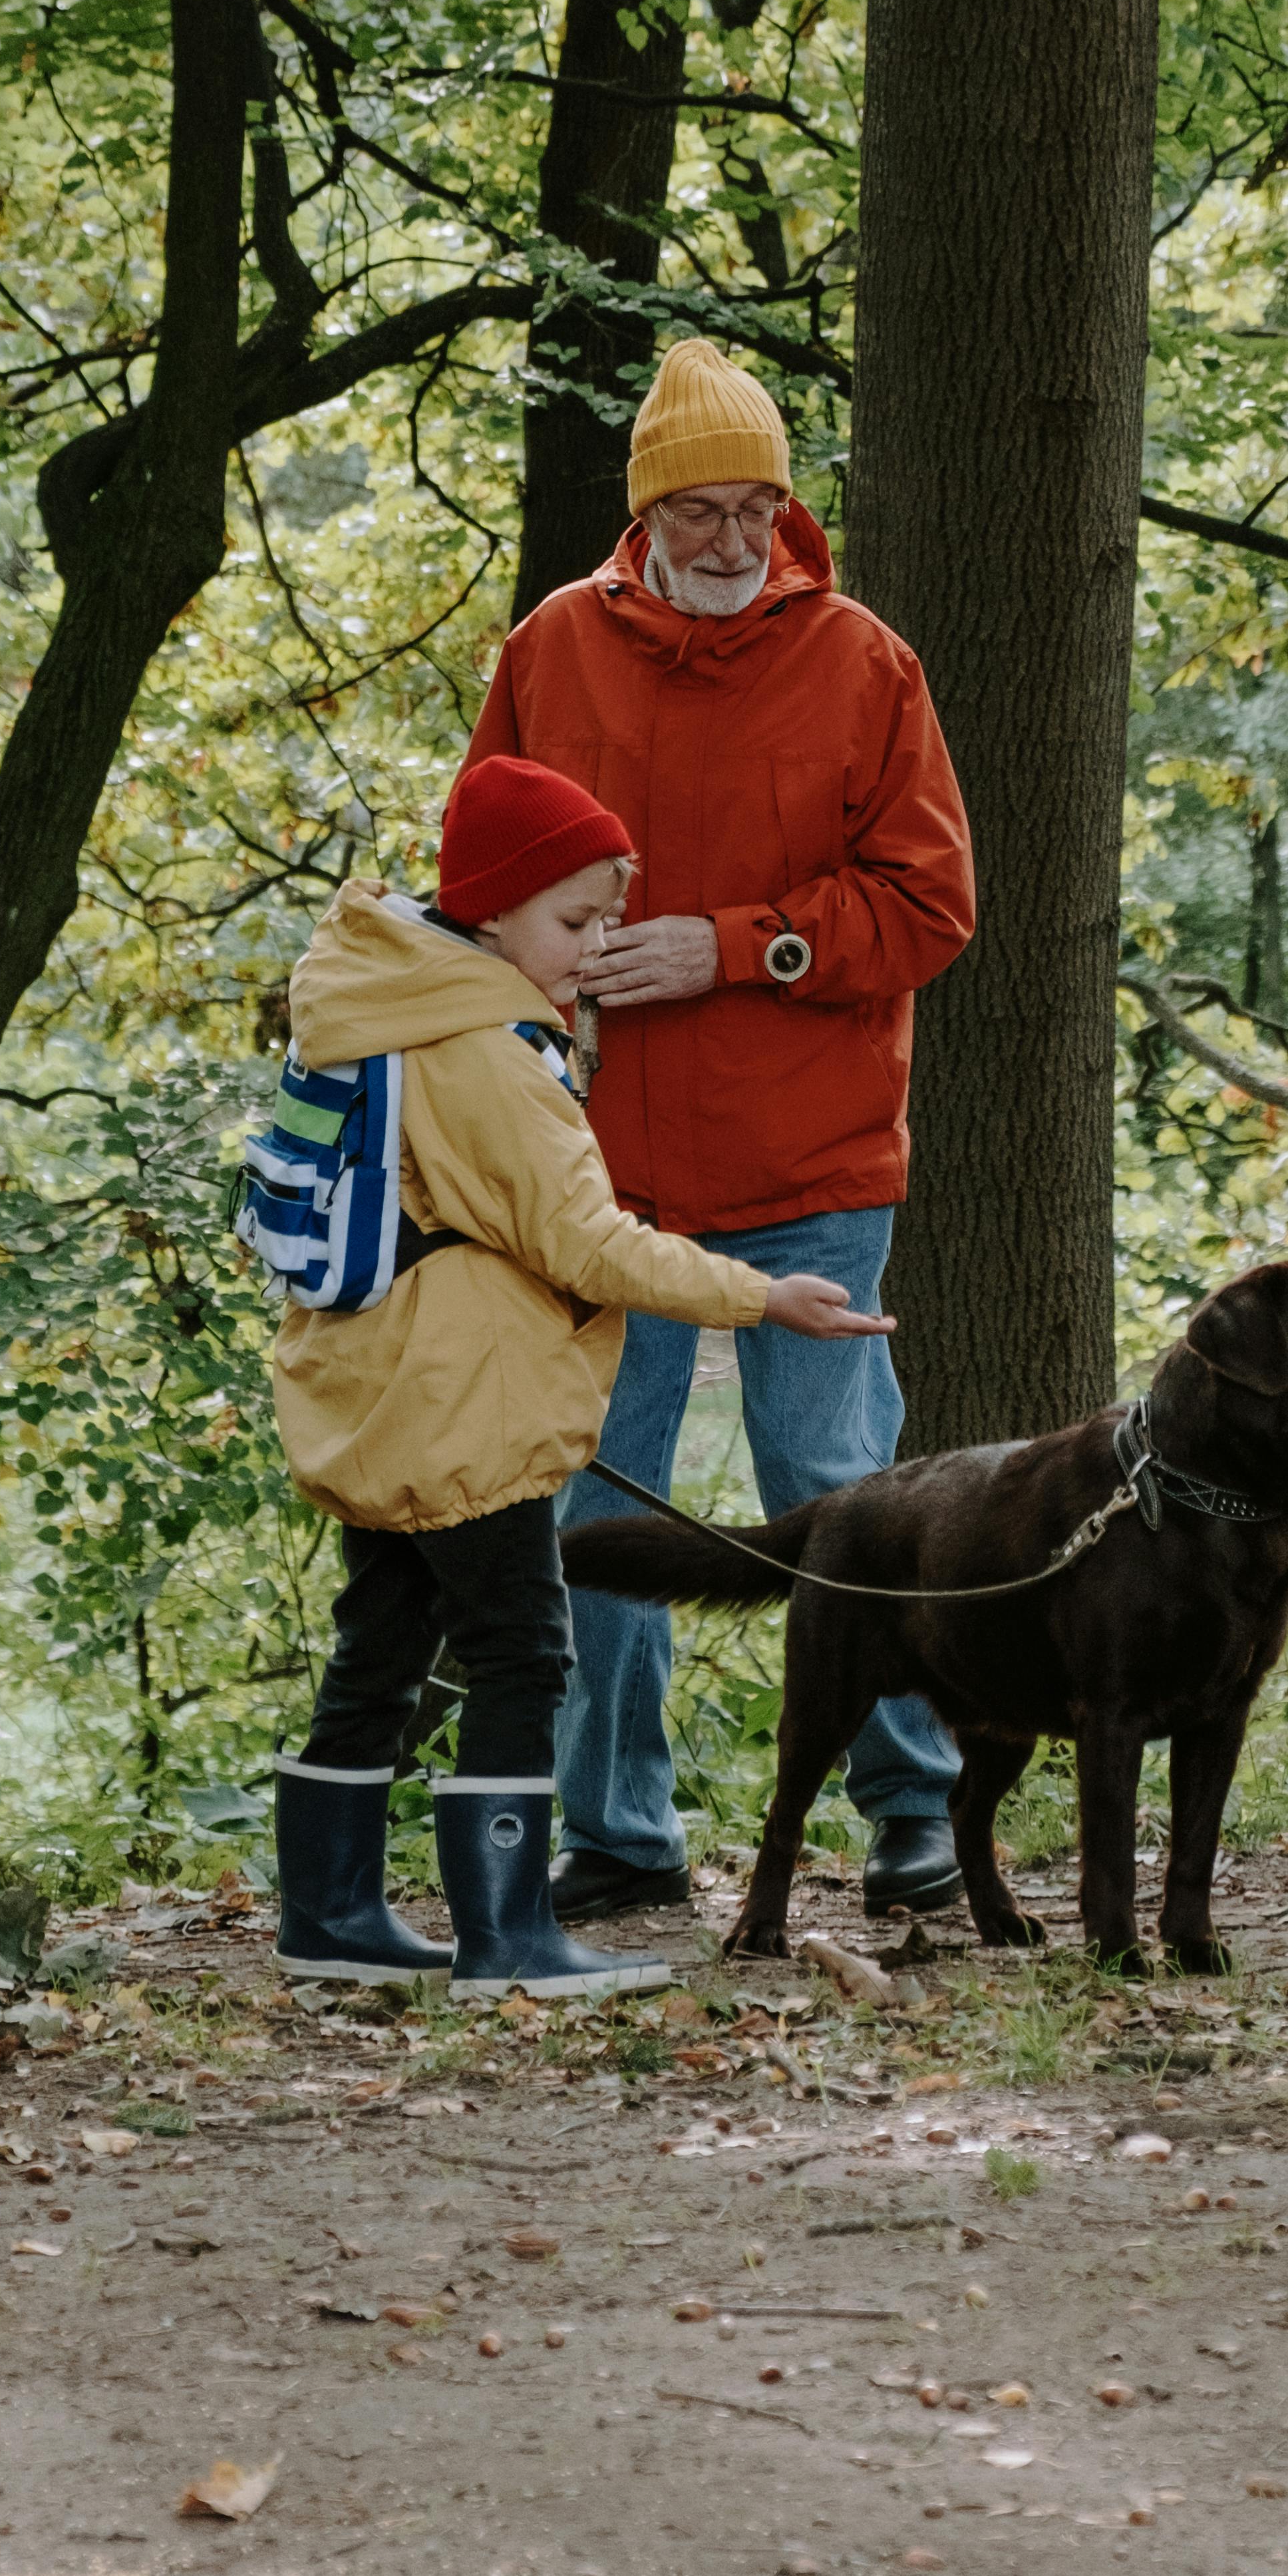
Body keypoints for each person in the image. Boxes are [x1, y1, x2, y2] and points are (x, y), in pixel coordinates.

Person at [461, 338, 978, 1925]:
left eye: (760, 507)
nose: (734, 540)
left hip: (812, 1169)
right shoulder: (551, 649)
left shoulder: (864, 662)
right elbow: (480, 878)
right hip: (598, 1172)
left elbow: (931, 906)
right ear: (647, 514)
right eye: (703, 510)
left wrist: (734, 945)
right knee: (602, 1502)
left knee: (842, 1488)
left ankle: (915, 1817)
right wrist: (537, 976)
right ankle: (621, 1836)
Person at [262, 750, 891, 2002]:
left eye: (607, 916)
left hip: (378, 1391)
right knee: (524, 1649)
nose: (593, 944)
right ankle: (507, 1941)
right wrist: (763, 1296)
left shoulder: (379, 1002)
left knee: (379, 1648)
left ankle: (328, 1916)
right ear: (492, 907)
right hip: (462, 1404)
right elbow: (586, 1242)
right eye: (573, 918)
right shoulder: (484, 1049)